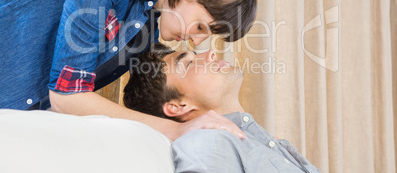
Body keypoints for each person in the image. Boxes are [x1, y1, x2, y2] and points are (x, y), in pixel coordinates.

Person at [0, 0, 256, 140]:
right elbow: (66, 96)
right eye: (201, 26)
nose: (198, 41)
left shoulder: (145, 30)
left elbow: (158, 94)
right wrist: (180, 129)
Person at [124, 43, 321, 173]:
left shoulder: (261, 141)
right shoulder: (205, 142)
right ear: (177, 106)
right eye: (189, 63)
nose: (210, 53)